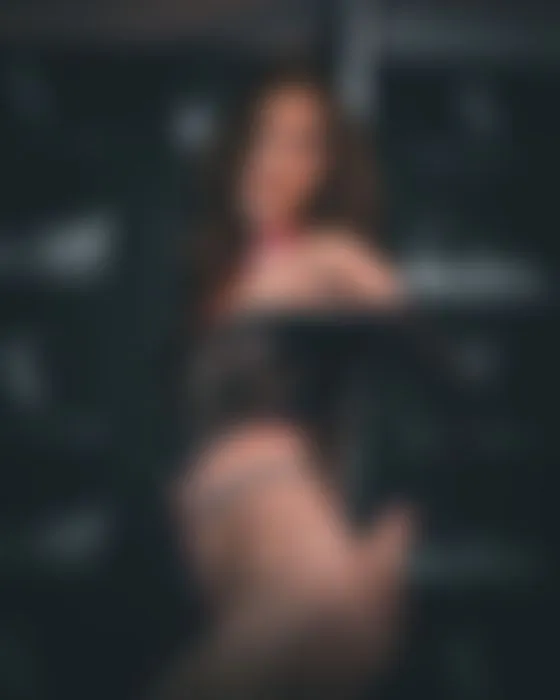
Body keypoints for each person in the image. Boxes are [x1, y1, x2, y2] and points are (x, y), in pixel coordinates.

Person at [158, 66, 413, 699]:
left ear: (326, 168)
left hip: (288, 540)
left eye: (303, 144)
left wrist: (387, 531)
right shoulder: (186, 262)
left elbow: (404, 395)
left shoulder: (331, 270)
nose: (277, 159)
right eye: (265, 135)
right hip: (188, 544)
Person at [192, 64, 404, 326]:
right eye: (262, 136)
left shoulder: (332, 256)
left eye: (297, 146)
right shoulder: (216, 258)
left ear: (327, 168)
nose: (270, 161)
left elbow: (406, 332)